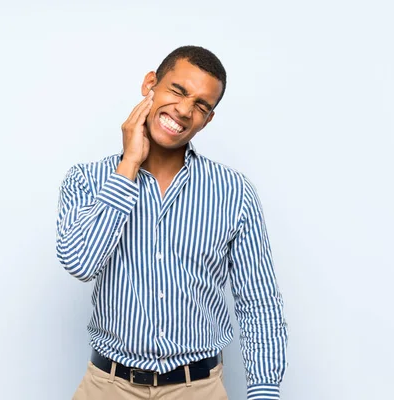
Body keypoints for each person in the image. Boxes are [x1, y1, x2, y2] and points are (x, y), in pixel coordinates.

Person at [56, 45, 288, 400]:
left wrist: (264, 392)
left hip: (198, 388)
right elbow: (80, 263)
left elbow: (258, 303)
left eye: (200, 105)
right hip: (107, 386)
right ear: (151, 83)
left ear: (208, 119)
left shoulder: (233, 192)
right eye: (177, 91)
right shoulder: (86, 180)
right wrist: (129, 165)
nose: (183, 110)